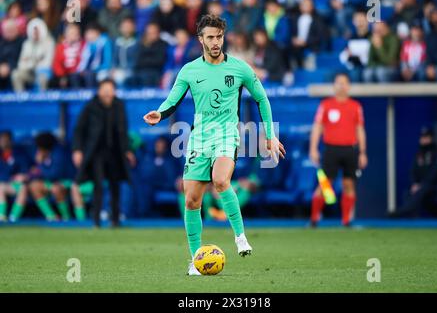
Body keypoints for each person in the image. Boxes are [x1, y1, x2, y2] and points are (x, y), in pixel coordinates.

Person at [143, 15, 285, 275]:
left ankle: (240, 237)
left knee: (221, 181)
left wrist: (269, 135)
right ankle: (196, 260)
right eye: (210, 37)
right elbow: (172, 100)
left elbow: (261, 98)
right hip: (199, 138)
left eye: (219, 36)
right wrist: (160, 114)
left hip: (227, 135)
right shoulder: (189, 70)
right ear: (201, 40)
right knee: (192, 201)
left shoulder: (240, 68)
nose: (215, 41)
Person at [72, 79, 136, 228]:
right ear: (99, 91)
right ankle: (96, 221)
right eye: (104, 89)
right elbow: (79, 129)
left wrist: (127, 150)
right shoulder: (90, 106)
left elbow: (123, 130)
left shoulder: (119, 105)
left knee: (116, 185)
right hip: (96, 152)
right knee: (98, 185)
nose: (107, 93)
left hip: (115, 152)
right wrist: (77, 150)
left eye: (110, 89)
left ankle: (115, 220)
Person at [309, 73, 368, 227]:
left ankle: (346, 221)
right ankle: (314, 219)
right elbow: (317, 127)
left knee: (349, 184)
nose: (341, 86)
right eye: (338, 83)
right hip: (331, 150)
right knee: (325, 184)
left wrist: (362, 152)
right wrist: (313, 148)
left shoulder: (355, 106)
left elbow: (360, 129)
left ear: (348, 86)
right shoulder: (326, 105)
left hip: (350, 150)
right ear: (334, 86)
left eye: (344, 83)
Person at [391, 127, 437, 218]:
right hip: (421, 185)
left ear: (431, 138)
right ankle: (410, 216)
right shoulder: (419, 154)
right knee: (409, 192)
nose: (424, 140)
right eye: (422, 137)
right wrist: (414, 183)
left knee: (425, 189)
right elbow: (413, 171)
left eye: (426, 137)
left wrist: (422, 184)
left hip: (434, 185)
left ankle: (405, 211)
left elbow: (436, 172)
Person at [28, 132, 71, 222]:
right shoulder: (45, 154)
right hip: (52, 182)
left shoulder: (59, 153)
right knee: (34, 186)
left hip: (68, 181)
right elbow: (35, 173)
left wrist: (40, 164)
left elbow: (55, 174)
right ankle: (51, 216)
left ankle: (66, 218)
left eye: (39, 147)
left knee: (56, 188)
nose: (38, 149)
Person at [0, 131, 29, 222]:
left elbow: (25, 170)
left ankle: (13, 218)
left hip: (14, 184)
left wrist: (21, 176)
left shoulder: (19, 154)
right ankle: (1, 216)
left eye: (6, 140)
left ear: (11, 141)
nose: (4, 142)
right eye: (2, 140)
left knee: (23, 188)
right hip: (2, 183)